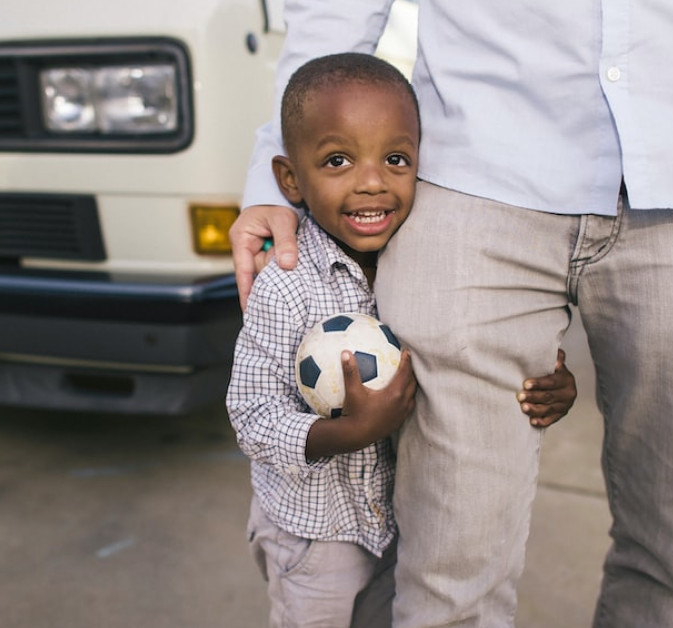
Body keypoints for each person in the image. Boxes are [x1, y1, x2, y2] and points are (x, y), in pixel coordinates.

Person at [230, 2, 673, 627]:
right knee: (448, 570)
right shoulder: (310, 271)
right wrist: (274, 167)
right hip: (475, 169)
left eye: (383, 159)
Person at [226, 52, 579, 628]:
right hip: (315, 537)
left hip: (399, 526)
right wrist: (346, 433)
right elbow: (251, 414)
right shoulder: (285, 285)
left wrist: (551, 382)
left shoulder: (430, 268)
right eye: (337, 160)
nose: (372, 182)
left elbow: (476, 358)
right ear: (290, 179)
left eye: (395, 160)